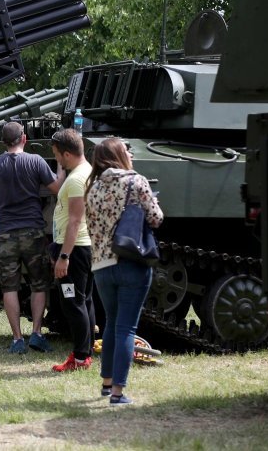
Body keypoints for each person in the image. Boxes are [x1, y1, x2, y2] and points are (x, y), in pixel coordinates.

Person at [85, 138, 163, 405]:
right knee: (127, 327)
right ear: (120, 155)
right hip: (131, 261)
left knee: (111, 325)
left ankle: (107, 384)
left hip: (102, 266)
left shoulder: (91, 187)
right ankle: (118, 393)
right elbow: (156, 218)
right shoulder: (135, 181)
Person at [0, 121, 63, 354]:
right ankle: (37, 334)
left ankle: (17, 338)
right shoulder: (36, 161)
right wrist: (60, 166)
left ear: (3, 141)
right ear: (24, 138)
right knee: (40, 284)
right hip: (33, 231)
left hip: (4, 233)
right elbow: (57, 188)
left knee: (9, 288)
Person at [49, 128, 95, 372]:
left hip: (74, 251)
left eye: (57, 155)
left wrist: (63, 257)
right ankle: (85, 353)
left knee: (72, 302)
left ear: (67, 154)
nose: (57, 158)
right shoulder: (84, 172)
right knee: (84, 301)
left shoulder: (77, 179)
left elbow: (75, 220)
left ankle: (80, 358)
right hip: (80, 249)